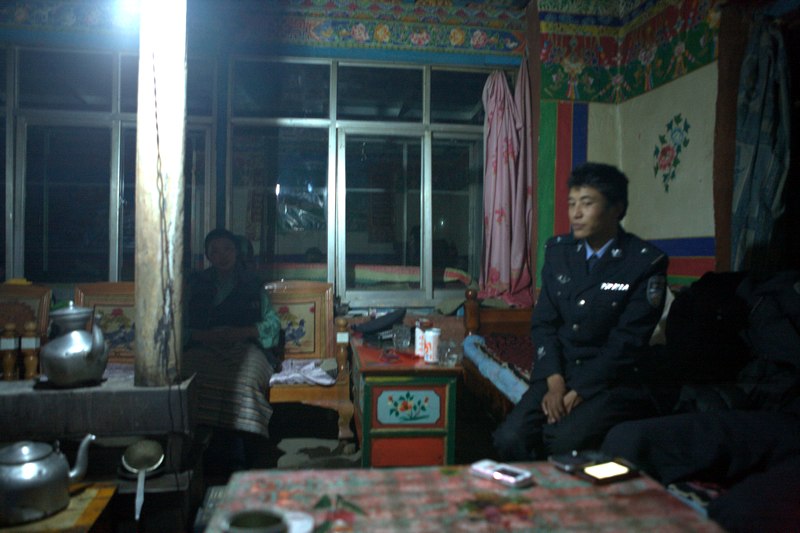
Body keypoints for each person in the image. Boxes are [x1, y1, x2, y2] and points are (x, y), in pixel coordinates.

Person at [492, 162, 668, 461]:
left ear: (616, 209)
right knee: (509, 438)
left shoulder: (643, 263)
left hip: (610, 381)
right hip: (559, 370)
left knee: (561, 439)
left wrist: (579, 391)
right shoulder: (559, 252)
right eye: (572, 203)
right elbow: (544, 324)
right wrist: (555, 381)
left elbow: (626, 344)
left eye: (587, 203)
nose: (576, 213)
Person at [181, 228, 283, 473]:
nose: (222, 255)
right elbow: (178, 325)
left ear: (237, 252)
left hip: (245, 346)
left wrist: (244, 332)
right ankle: (200, 454)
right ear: (207, 255)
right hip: (204, 346)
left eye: (228, 249)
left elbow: (272, 324)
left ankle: (244, 454)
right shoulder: (195, 284)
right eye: (215, 251)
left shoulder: (252, 284)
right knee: (187, 379)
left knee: (245, 380)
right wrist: (205, 336)